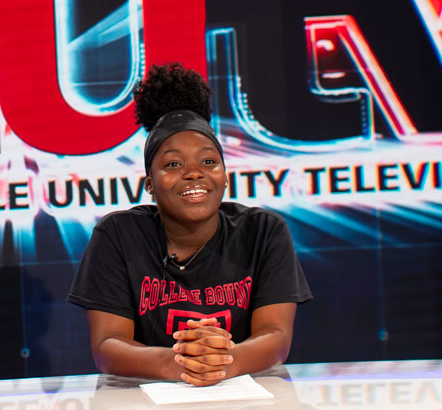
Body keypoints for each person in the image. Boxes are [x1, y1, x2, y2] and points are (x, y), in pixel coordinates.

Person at [68, 62, 311, 387]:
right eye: (173, 164)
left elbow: (276, 336)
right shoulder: (118, 236)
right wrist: (175, 362)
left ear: (224, 176)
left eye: (209, 161)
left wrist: (223, 361)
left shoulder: (264, 231)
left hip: (246, 409)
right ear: (150, 183)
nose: (194, 172)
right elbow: (108, 347)